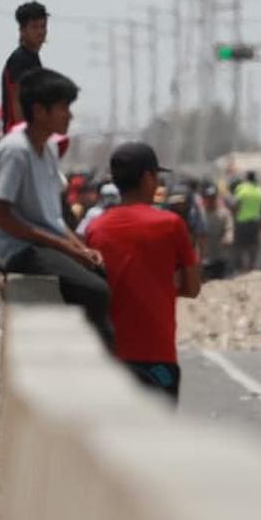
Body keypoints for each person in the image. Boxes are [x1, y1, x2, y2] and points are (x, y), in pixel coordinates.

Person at [0, 68, 114, 348]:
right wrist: (64, 247)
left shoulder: (49, 150)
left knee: (107, 273)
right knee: (96, 290)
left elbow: (52, 216)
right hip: (22, 251)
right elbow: (0, 215)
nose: (69, 115)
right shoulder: (16, 152)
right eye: (63, 108)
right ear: (40, 111)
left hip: (46, 246)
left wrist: (79, 248)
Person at [83, 143, 201, 402]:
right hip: (157, 358)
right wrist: (163, 286)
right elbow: (193, 288)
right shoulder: (171, 225)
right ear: (148, 178)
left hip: (110, 355)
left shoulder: (94, 228)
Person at [0, 1, 47, 136]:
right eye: (35, 27)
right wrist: (25, 135)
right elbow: (16, 100)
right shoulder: (20, 60)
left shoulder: (33, 59)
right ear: (22, 30)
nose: (40, 32)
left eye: (43, 26)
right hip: (18, 136)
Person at [230, 171, 261, 274]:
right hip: (255, 222)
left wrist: (233, 216)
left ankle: (241, 268)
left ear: (246, 178)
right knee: (253, 245)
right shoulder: (260, 190)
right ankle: (251, 267)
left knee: (240, 246)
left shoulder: (241, 188)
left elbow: (236, 204)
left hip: (241, 221)